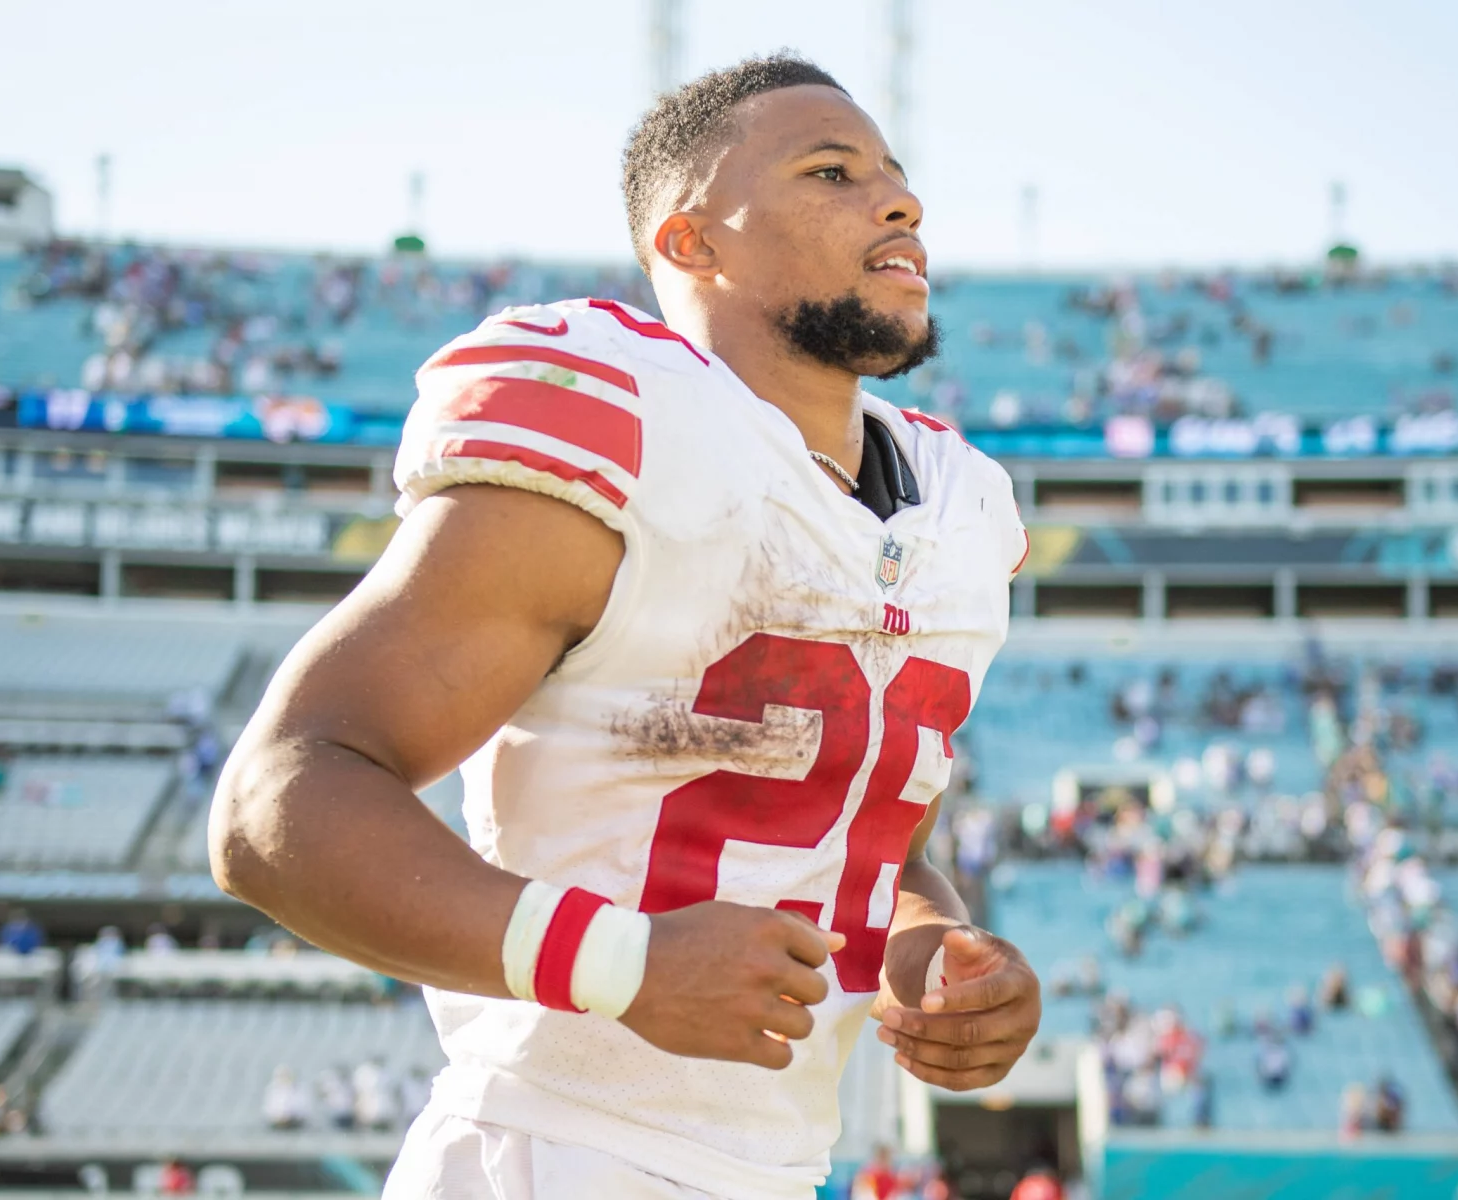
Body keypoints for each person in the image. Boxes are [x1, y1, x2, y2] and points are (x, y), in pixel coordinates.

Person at [211, 53, 1040, 1200]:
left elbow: (881, 836)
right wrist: (620, 961)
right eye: (831, 171)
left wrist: (925, 948)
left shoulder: (957, 506)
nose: (898, 201)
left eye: (896, 176)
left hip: (781, 1170)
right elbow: (276, 802)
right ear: (692, 242)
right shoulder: (628, 426)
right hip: (555, 1154)